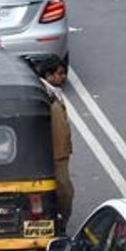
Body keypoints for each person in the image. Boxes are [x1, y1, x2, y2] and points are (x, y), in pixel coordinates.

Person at [34, 55, 75, 225]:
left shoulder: (53, 92)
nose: (63, 76)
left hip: (60, 152)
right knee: (65, 192)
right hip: (55, 154)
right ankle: (60, 222)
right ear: (49, 75)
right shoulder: (45, 96)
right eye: (60, 73)